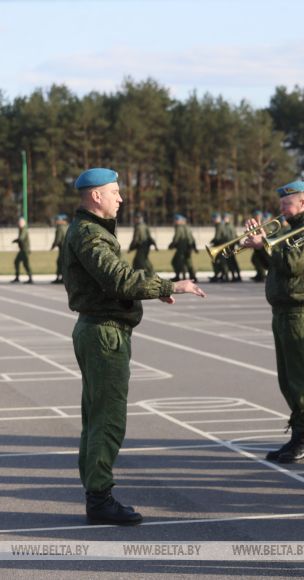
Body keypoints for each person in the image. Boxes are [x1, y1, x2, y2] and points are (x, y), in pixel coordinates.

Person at [63, 168, 206, 525]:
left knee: (97, 417)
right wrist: (170, 286)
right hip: (104, 335)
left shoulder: (90, 231)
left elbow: (113, 285)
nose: (121, 198)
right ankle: (99, 498)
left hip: (100, 330)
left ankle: (97, 494)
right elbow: (119, 280)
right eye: (114, 192)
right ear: (96, 196)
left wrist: (151, 293)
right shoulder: (90, 234)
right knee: (107, 420)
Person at [243, 181, 304, 463]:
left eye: (286, 204)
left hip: (299, 310)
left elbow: (295, 264)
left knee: (300, 377)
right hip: (283, 310)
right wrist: (261, 246)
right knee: (288, 378)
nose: (280, 209)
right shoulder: (292, 226)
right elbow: (278, 264)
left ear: (303, 203)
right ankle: (299, 433)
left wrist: (264, 244)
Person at [168, 214, 198, 282]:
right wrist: (194, 247)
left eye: (176, 220)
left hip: (182, 249)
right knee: (188, 262)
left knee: (176, 262)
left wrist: (172, 245)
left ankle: (179, 276)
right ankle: (193, 277)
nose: (175, 221)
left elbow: (176, 238)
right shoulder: (187, 227)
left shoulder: (179, 228)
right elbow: (192, 238)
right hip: (188, 248)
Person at [249, 210, 270, 282]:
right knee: (255, 259)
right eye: (255, 216)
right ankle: (260, 274)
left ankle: (262, 275)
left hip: (263, 247)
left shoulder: (264, 224)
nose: (256, 217)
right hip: (257, 247)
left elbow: (267, 234)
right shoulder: (255, 225)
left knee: (262, 260)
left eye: (257, 216)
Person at [10, 217, 33, 284]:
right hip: (22, 250)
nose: (18, 224)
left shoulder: (24, 230)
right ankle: (17, 277)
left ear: (22, 223)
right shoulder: (21, 229)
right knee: (16, 261)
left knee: (26, 264)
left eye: (19, 222)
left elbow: (21, 238)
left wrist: (16, 240)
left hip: (25, 250)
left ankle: (30, 278)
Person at [208, 212, 229, 282]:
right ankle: (219, 275)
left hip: (221, 246)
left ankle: (226, 277)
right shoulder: (220, 225)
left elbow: (218, 237)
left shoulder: (219, 225)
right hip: (221, 246)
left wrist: (212, 242)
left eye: (214, 218)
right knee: (217, 260)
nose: (213, 220)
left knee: (222, 262)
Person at [222, 212, 242, 282]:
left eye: (226, 218)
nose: (224, 219)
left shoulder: (230, 226)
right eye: (224, 218)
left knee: (231, 262)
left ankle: (236, 276)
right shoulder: (226, 226)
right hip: (228, 246)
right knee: (231, 261)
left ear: (229, 219)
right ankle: (235, 275)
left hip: (230, 246)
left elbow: (233, 236)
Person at [50, 214, 69, 284]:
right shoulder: (67, 226)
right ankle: (63, 278)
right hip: (67, 247)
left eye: (57, 220)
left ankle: (59, 278)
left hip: (62, 248)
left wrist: (53, 246)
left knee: (59, 262)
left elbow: (58, 239)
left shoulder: (60, 228)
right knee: (64, 263)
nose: (56, 221)